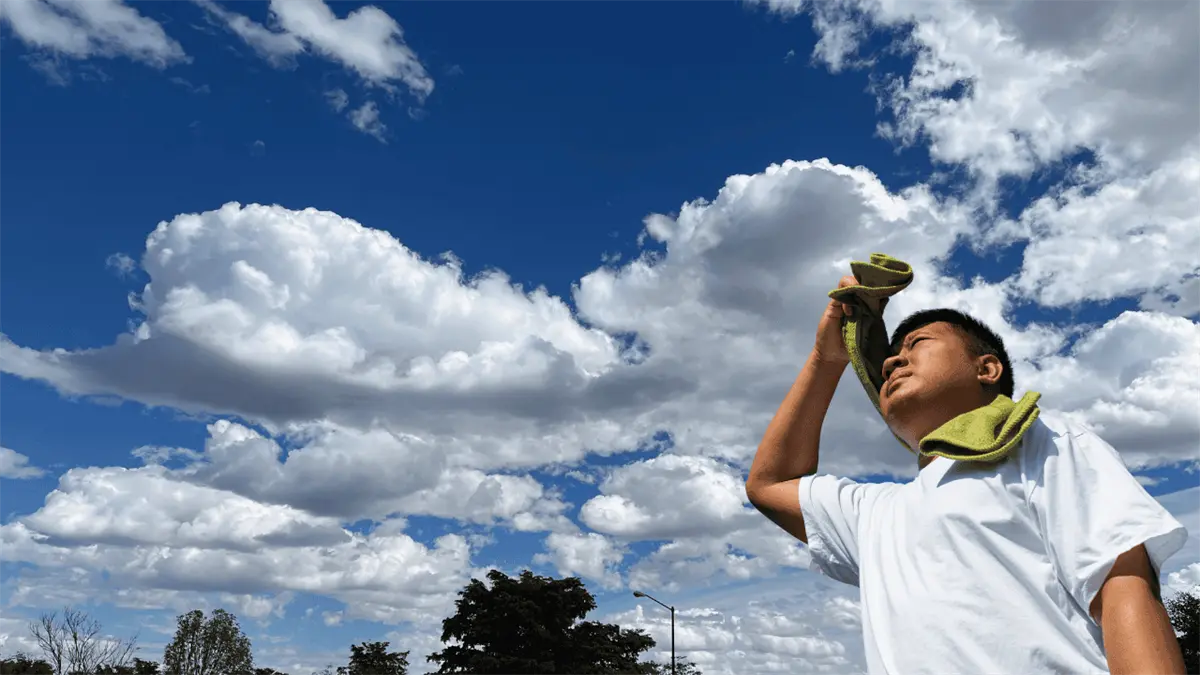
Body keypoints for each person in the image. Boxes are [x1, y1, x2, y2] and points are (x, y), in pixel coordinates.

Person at [745, 274, 1189, 674]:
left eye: (916, 344)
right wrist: (827, 357)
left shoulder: (1041, 440)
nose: (891, 363)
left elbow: (1122, 585)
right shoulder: (878, 513)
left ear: (986, 369)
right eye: (887, 361)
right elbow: (769, 484)